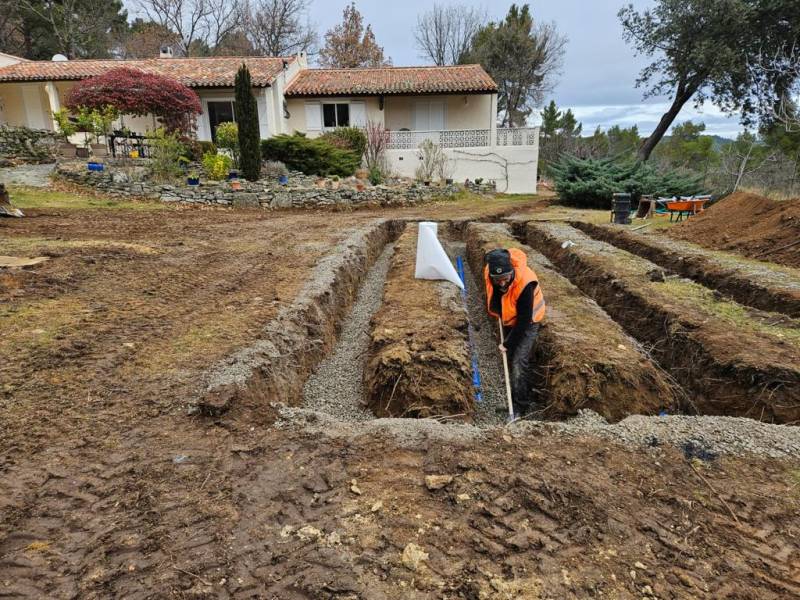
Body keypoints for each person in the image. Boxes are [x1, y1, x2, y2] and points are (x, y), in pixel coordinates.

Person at [483, 248, 546, 416]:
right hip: (511, 317)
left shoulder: (526, 283)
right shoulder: (490, 273)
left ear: (512, 271)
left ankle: (521, 406)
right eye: (498, 280)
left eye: (505, 278)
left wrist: (507, 343)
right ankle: (516, 397)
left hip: (529, 320)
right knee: (511, 358)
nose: (502, 283)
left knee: (519, 361)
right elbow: (495, 294)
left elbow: (524, 321)